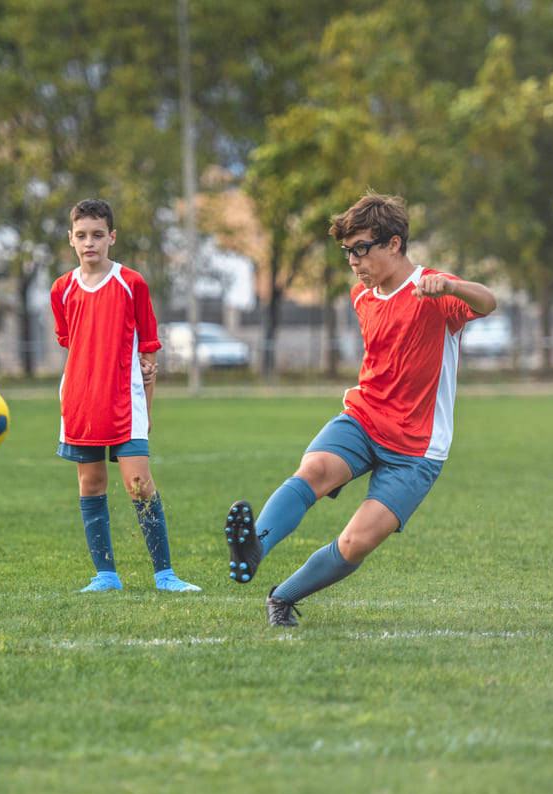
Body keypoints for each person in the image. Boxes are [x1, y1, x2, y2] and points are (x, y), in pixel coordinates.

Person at [224, 192, 497, 627]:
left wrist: (452, 286)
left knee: (356, 543)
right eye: (347, 251)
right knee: (312, 470)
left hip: (417, 446)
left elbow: (487, 301)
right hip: (364, 417)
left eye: (361, 249)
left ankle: (283, 597)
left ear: (393, 244)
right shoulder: (362, 297)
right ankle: (253, 545)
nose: (353, 260)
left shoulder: (433, 289)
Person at [51, 198, 200, 594]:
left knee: (139, 483)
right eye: (81, 236)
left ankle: (165, 575)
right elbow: (71, 342)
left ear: (112, 238)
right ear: (70, 239)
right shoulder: (62, 289)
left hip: (124, 401)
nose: (90, 243)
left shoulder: (131, 283)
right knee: (91, 483)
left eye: (98, 235)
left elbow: (149, 351)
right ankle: (105, 575)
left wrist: (147, 406)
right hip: (80, 402)